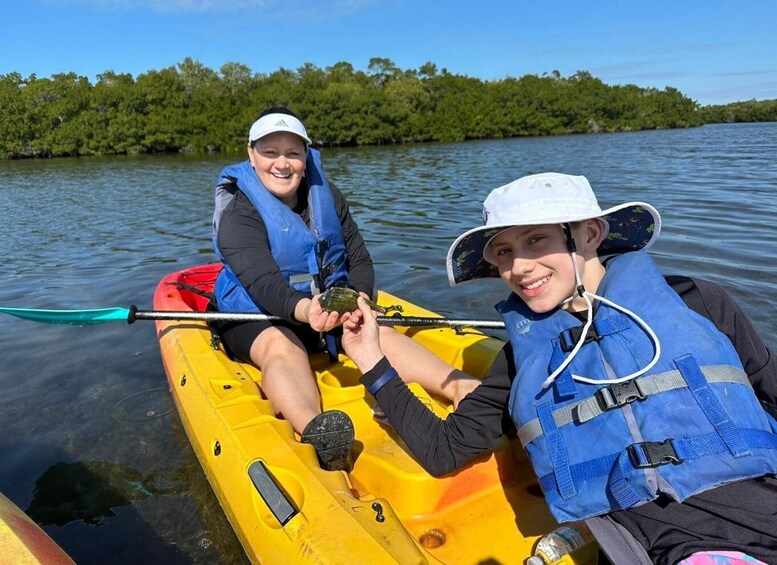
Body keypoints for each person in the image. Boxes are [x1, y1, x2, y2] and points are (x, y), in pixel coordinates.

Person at [342, 172, 777, 564]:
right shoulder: (522, 361)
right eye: (504, 252)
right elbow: (444, 450)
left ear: (590, 233)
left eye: (536, 241)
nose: (518, 267)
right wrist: (369, 359)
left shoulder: (698, 302)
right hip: (675, 548)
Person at [211, 107, 480, 471]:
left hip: (324, 305)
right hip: (258, 313)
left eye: (292, 152)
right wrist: (306, 311)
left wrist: (361, 298)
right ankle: (317, 432)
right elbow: (262, 283)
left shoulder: (328, 197)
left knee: (373, 331)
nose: (282, 164)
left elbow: (359, 258)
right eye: (270, 152)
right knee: (282, 346)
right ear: (251, 154)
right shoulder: (239, 214)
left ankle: (461, 386)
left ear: (306, 156)